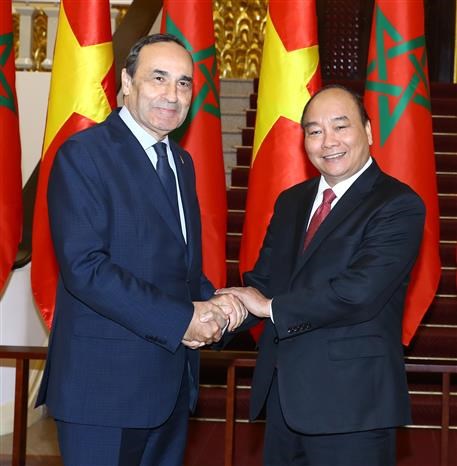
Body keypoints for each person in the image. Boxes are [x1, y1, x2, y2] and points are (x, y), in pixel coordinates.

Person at [36, 33, 246, 466]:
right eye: (159, 78)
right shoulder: (84, 154)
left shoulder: (181, 163)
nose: (173, 94)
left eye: (184, 83)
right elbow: (86, 268)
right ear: (126, 83)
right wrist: (183, 318)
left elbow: (178, 272)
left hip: (169, 386)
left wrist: (223, 305)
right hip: (105, 391)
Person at [218, 85, 425, 466]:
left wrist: (269, 307)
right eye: (314, 131)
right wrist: (216, 316)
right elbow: (264, 282)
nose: (328, 141)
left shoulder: (398, 204)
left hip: (352, 407)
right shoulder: (291, 201)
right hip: (283, 402)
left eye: (341, 127)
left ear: (369, 131)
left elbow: (359, 292)